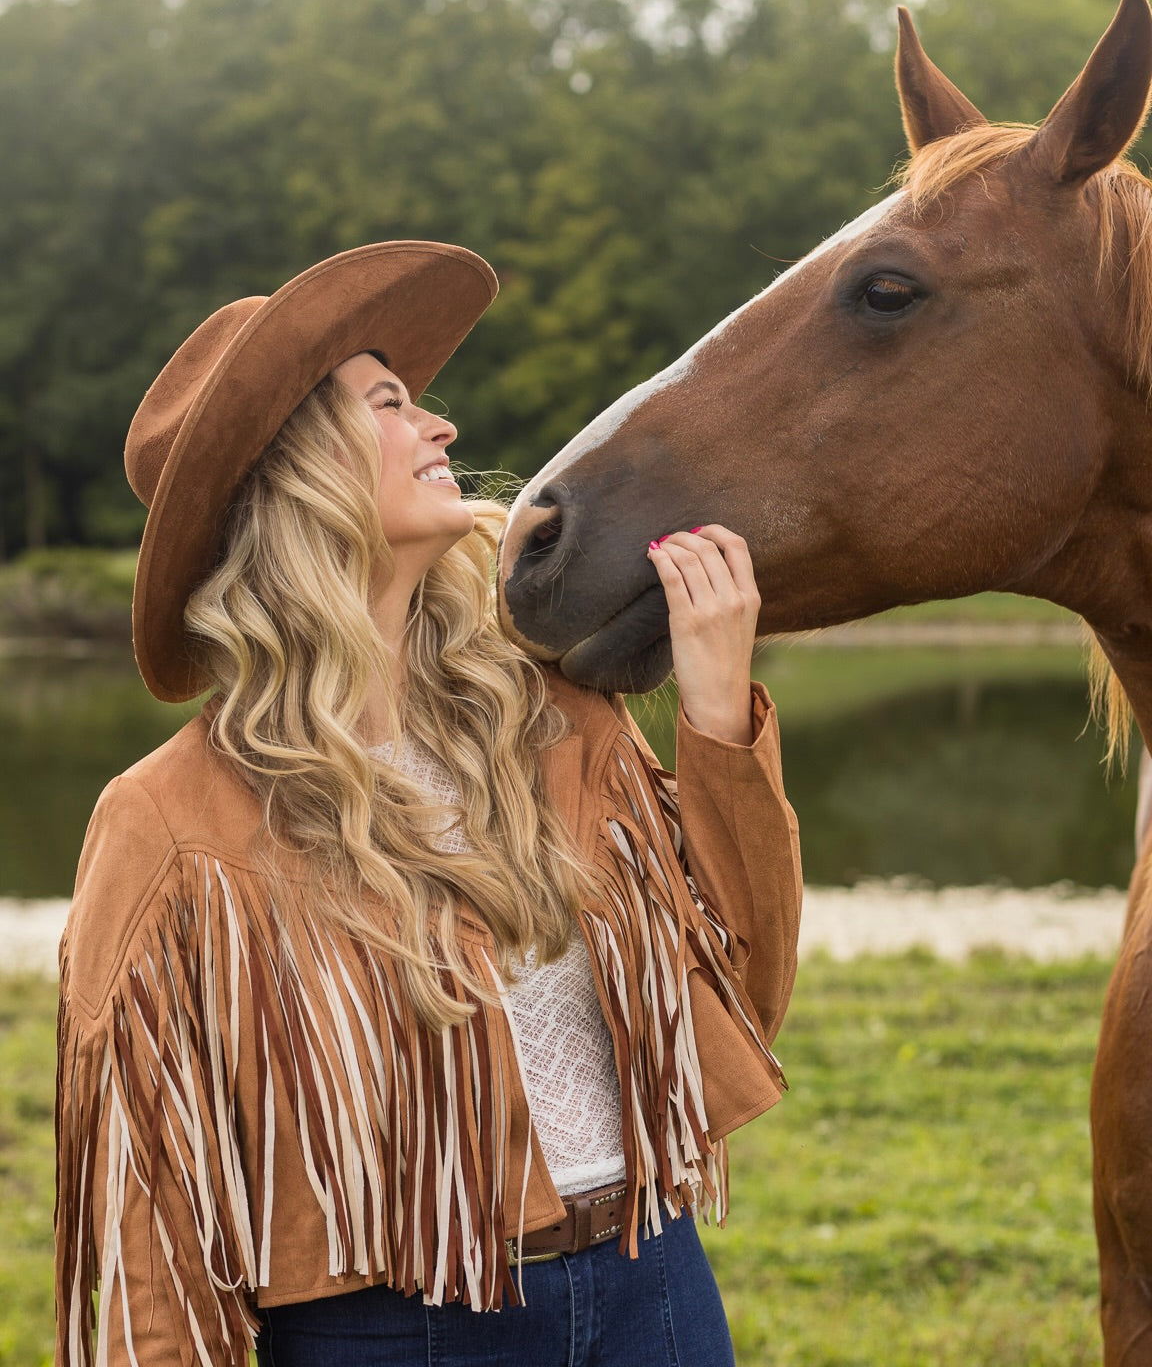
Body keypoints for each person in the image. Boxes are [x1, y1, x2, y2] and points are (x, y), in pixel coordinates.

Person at [54, 241, 804, 1367]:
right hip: (393, 1332)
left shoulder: (552, 717)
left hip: (655, 1288)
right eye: (391, 404)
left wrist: (715, 718)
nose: (442, 427)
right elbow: (146, 1203)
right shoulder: (169, 823)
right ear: (292, 472)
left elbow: (743, 989)